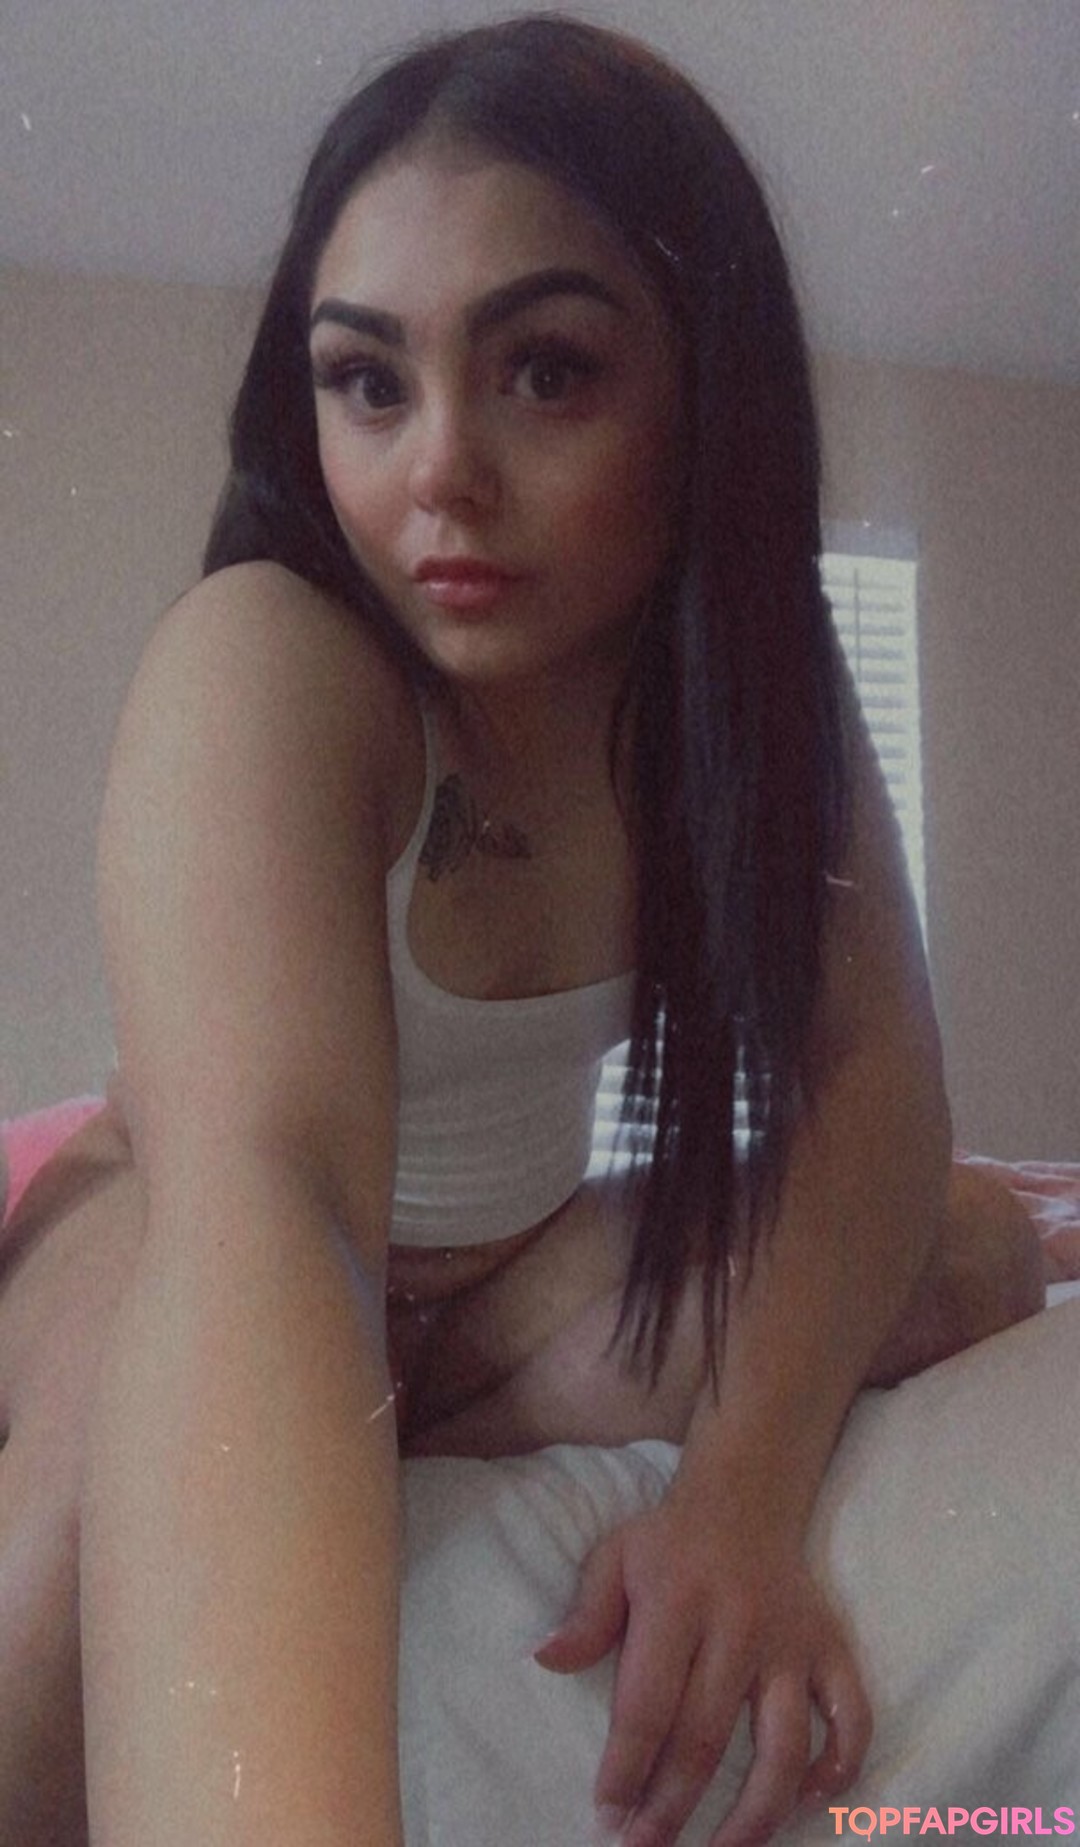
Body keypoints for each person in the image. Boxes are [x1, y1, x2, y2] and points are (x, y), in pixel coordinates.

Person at [0, 16, 1044, 1847]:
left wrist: (737, 1499)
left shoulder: (755, 692)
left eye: (546, 373)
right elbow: (275, 1201)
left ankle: (387, 1426)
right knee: (73, 1574)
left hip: (496, 1284)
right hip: (178, 1222)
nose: (440, 473)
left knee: (971, 1247)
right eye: (368, 381)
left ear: (704, 389)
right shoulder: (270, 663)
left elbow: (876, 1078)